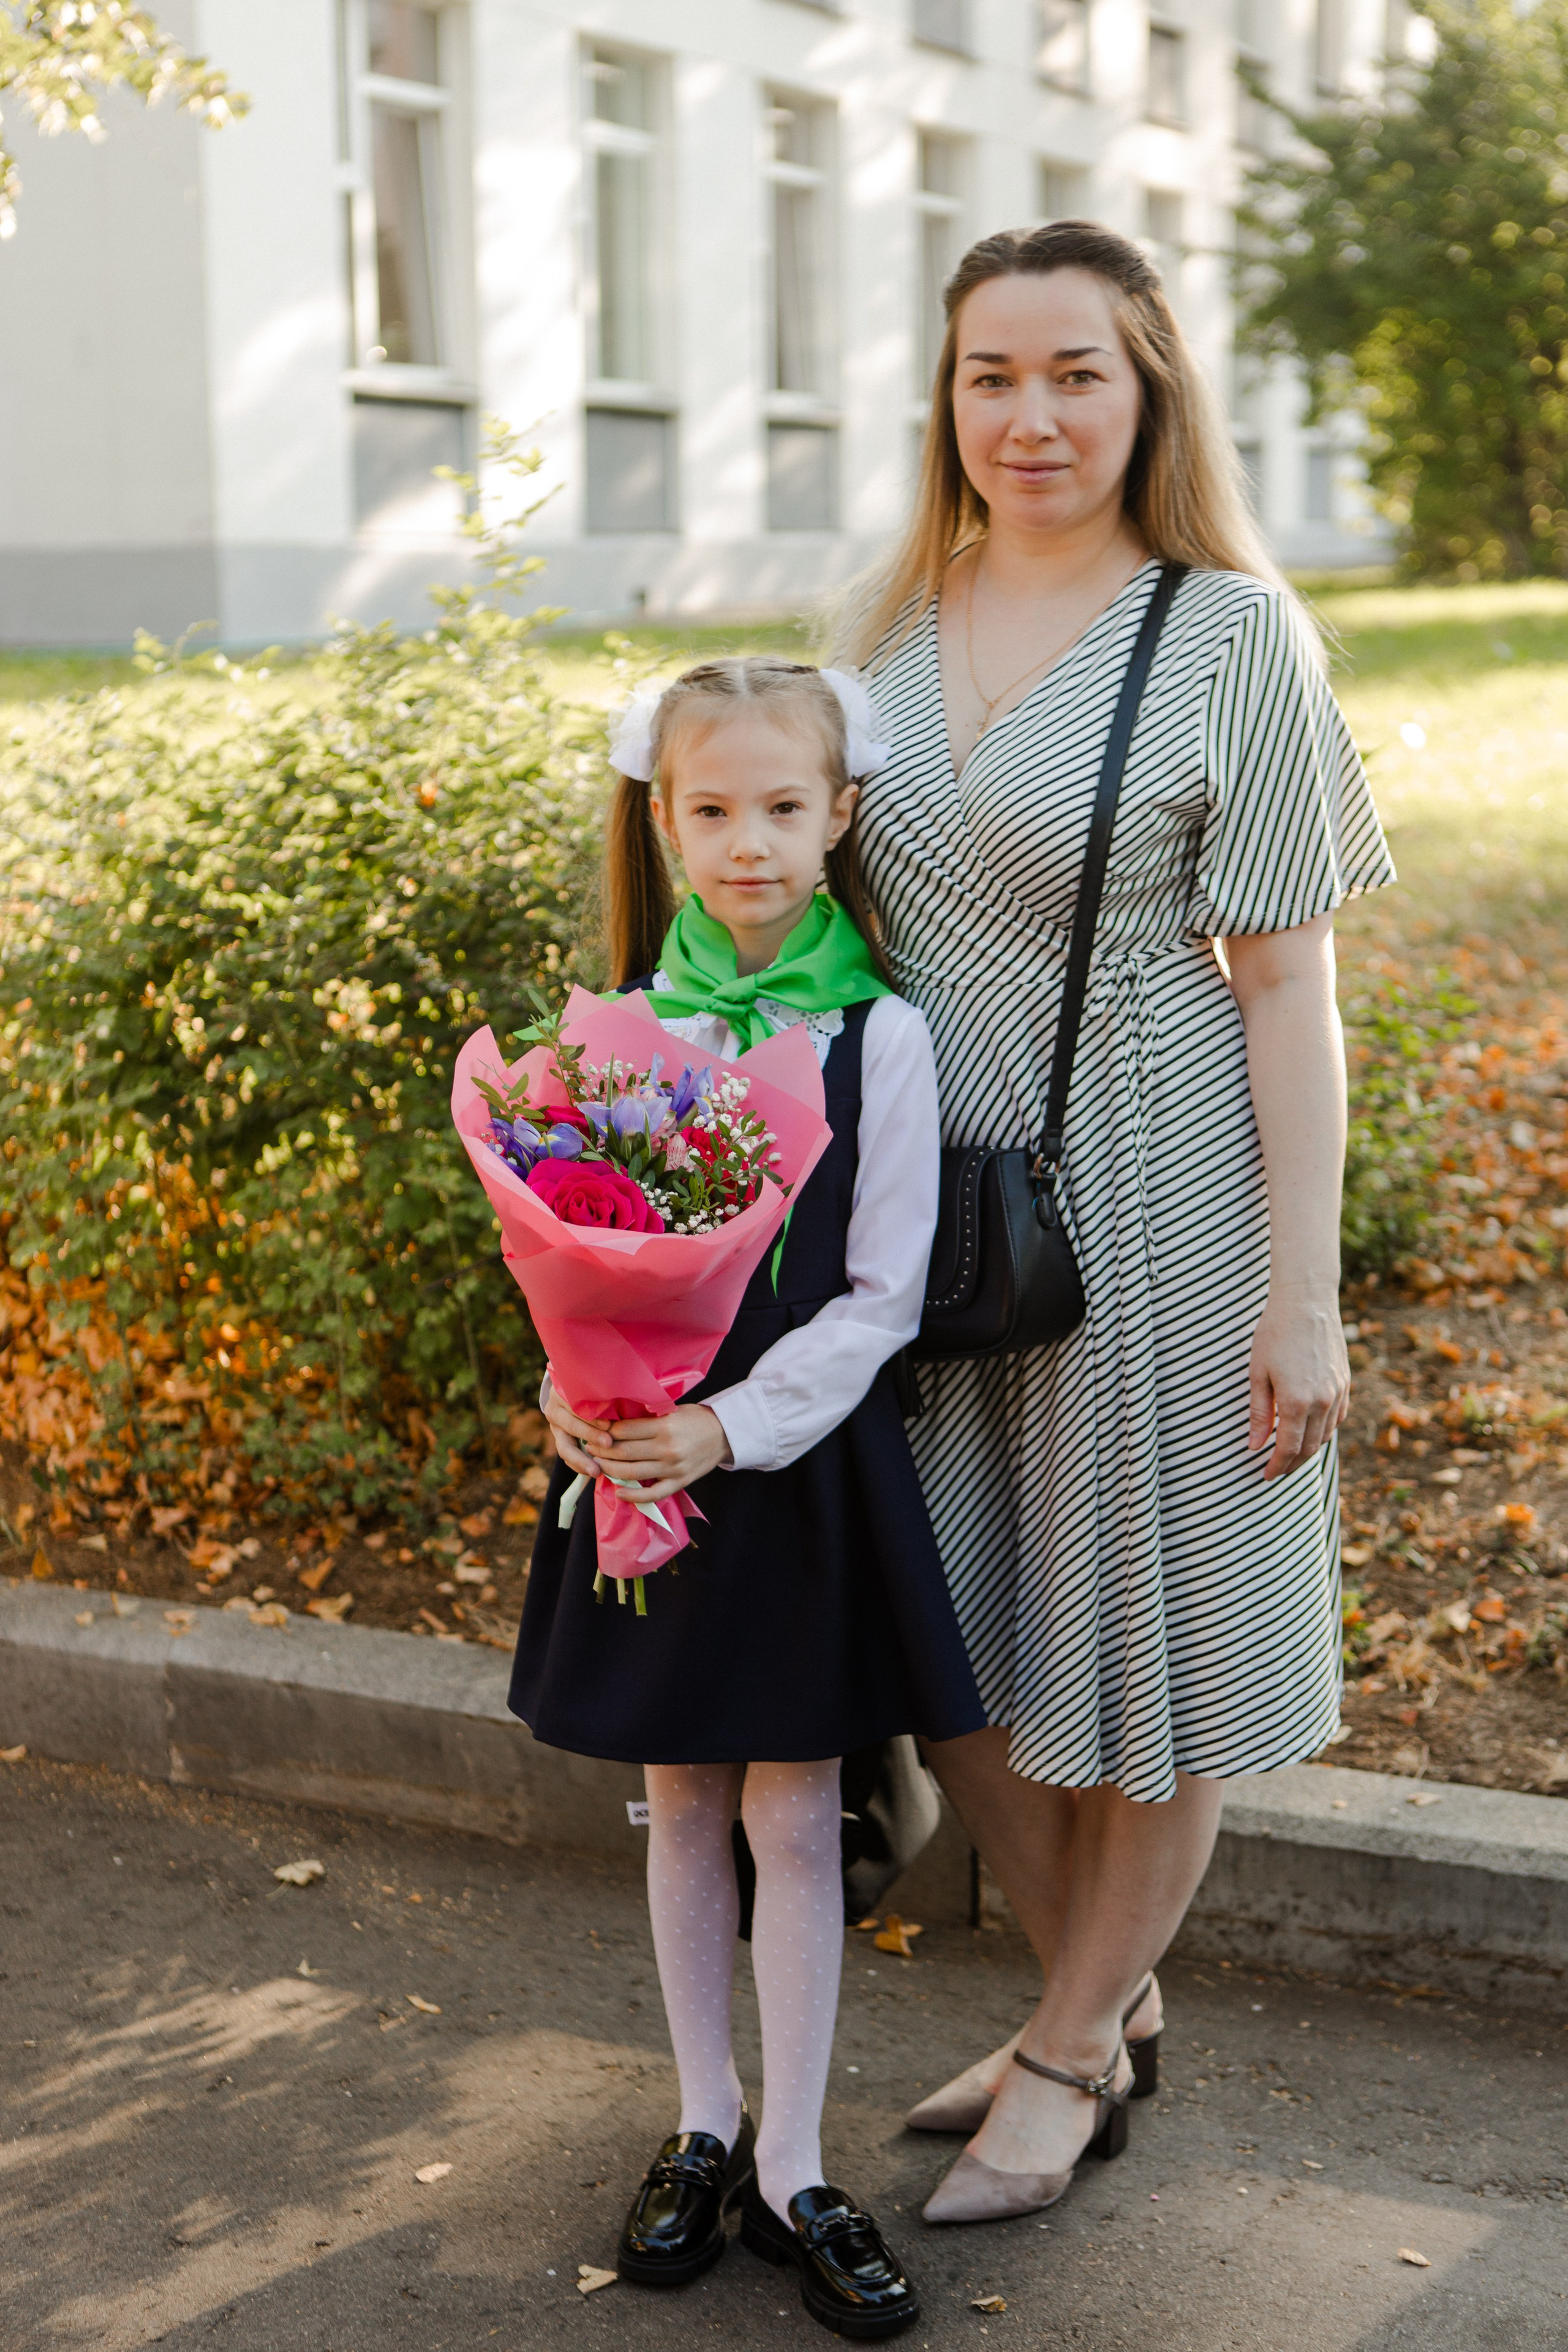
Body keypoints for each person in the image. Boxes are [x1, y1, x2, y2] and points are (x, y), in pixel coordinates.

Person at [833, 222, 1394, 2225]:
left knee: (1150, 1656)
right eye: (994, 376)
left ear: (1146, 388)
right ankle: (1108, 1992)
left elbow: (1290, 985)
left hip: (1156, 1209)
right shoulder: (897, 618)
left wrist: (1298, 1295)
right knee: (955, 1641)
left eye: (1077, 373)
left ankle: (1070, 2047)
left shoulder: (1227, 635)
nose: (1033, 415)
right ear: (949, 401)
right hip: (929, 1227)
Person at [511, 657, 986, 2335]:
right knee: (681, 1801)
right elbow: (569, 1247)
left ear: (841, 813)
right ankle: (702, 2119)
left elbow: (883, 1293)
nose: (752, 845)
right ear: (667, 817)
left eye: (786, 808)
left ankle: (792, 2158)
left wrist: (733, 1430)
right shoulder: (621, 1032)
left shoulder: (886, 1035)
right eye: (714, 811)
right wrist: (584, 1398)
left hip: (786, 1471)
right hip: (645, 1460)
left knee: (795, 1810)